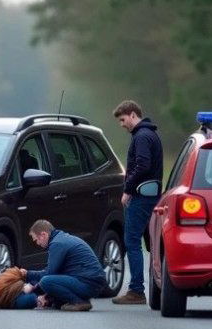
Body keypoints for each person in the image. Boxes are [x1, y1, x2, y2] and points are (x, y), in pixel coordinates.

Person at [111, 100, 163, 305]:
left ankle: (136, 290)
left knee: (132, 241)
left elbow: (142, 165)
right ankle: (156, 286)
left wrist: (128, 190)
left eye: (123, 120)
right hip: (152, 195)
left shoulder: (141, 136)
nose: (122, 124)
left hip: (141, 197)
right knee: (151, 244)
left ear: (133, 115)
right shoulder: (150, 134)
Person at [22, 219, 107, 312]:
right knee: (56, 300)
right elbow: (58, 273)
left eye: (36, 240)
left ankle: (79, 302)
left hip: (89, 283)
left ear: (43, 235)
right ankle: (79, 300)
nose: (37, 243)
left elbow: (50, 273)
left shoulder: (57, 244)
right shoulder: (62, 238)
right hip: (94, 282)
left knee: (46, 281)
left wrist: (28, 275)